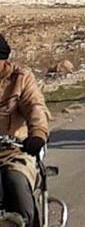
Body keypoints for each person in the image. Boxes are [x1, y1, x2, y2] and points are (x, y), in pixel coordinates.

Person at [0, 34, 49, 225]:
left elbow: (35, 107)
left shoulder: (21, 79)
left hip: (17, 151)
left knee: (15, 182)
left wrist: (37, 134)